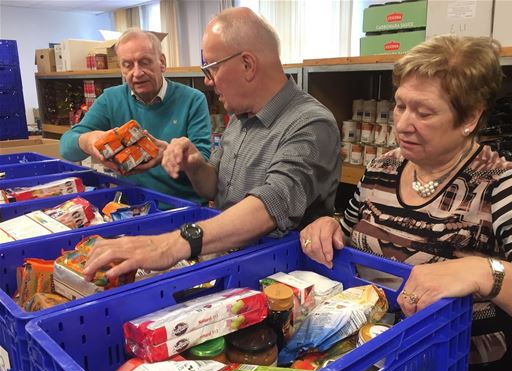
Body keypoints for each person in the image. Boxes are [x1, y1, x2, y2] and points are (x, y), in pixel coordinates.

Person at [299, 35, 512, 371]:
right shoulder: (382, 169)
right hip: (374, 370)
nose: (404, 124)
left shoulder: (508, 187)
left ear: (470, 118)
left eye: (424, 113)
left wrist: (482, 272)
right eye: (401, 106)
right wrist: (330, 225)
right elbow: (354, 229)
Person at [83, 8, 341, 278]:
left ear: (247, 65)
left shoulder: (311, 124)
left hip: (282, 280)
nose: (207, 80)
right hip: (230, 265)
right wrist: (194, 165)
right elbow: (214, 187)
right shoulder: (241, 116)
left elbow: (271, 205)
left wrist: (170, 245)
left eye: (211, 68)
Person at [59, 28, 211, 203]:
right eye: (128, 65)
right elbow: (66, 147)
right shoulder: (111, 99)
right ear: (122, 70)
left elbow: (203, 162)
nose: (137, 73)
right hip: (130, 207)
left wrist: (167, 154)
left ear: (162, 62)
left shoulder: (193, 100)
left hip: (181, 206)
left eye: (145, 62)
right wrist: (89, 140)